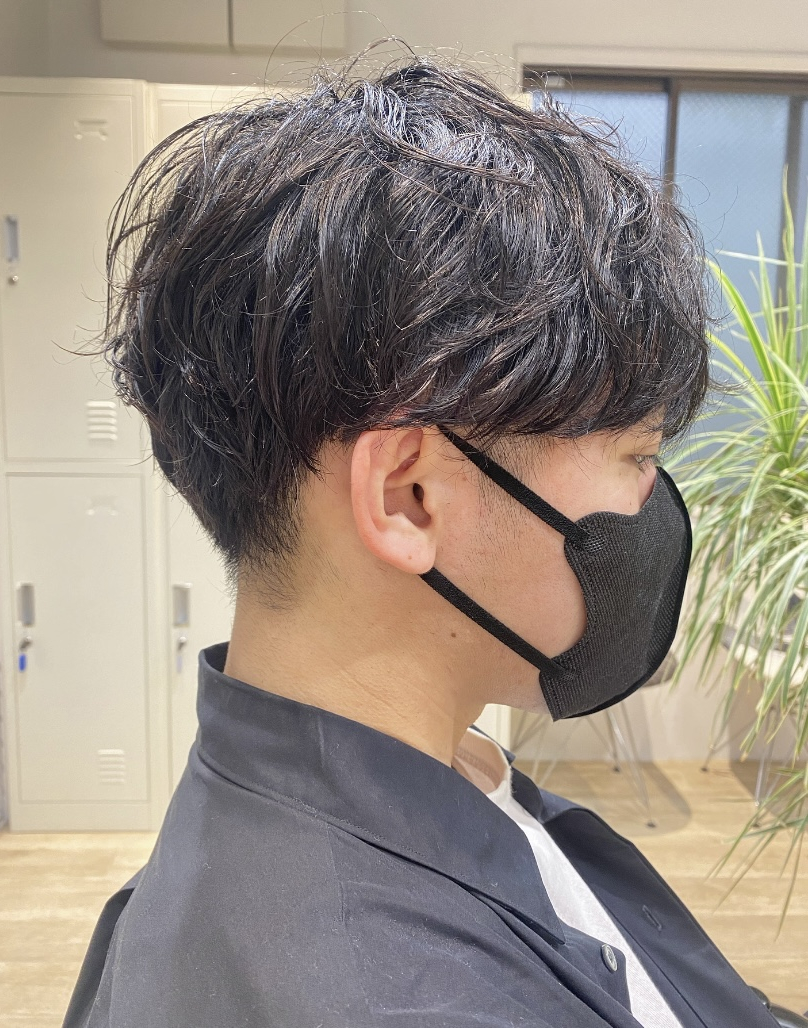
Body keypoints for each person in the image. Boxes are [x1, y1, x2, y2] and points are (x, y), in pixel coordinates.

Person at [61, 54, 780, 1028]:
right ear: (409, 495)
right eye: (638, 455)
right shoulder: (393, 995)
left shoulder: (423, 779)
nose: (654, 499)